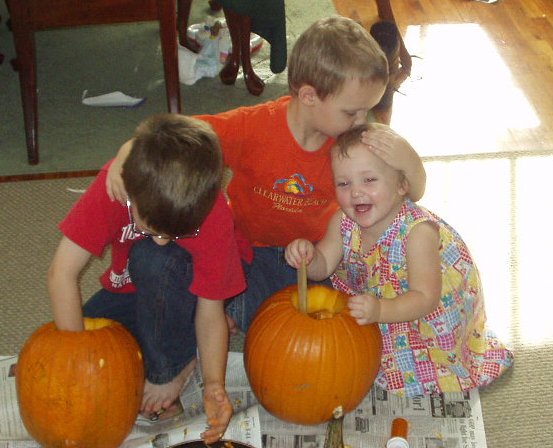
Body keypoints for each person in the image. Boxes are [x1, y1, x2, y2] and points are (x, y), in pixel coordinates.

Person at [106, 16, 427, 333]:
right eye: (352, 112)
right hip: (245, 250)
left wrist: (408, 159)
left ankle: (225, 314)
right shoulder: (254, 126)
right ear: (309, 96)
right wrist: (131, 149)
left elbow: (411, 192)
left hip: (313, 258)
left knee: (322, 323)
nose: (362, 121)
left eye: (367, 110)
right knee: (173, 268)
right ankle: (218, 314)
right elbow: (180, 136)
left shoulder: (354, 143)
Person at [48, 114, 252, 444]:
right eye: (151, 228)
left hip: (191, 284)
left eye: (175, 233)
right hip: (132, 284)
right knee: (89, 335)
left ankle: (171, 369)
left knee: (154, 258)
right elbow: (62, 273)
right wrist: (77, 357)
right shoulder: (114, 188)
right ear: (132, 193)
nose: (160, 239)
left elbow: (209, 309)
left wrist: (214, 384)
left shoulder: (212, 215)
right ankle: (183, 344)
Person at [285, 123, 514, 397]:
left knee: (410, 373)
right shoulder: (342, 220)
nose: (355, 192)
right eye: (343, 183)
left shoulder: (418, 233)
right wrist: (308, 258)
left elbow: (425, 298)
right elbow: (324, 264)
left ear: (402, 185)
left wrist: (380, 311)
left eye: (369, 180)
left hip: (421, 312)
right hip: (376, 301)